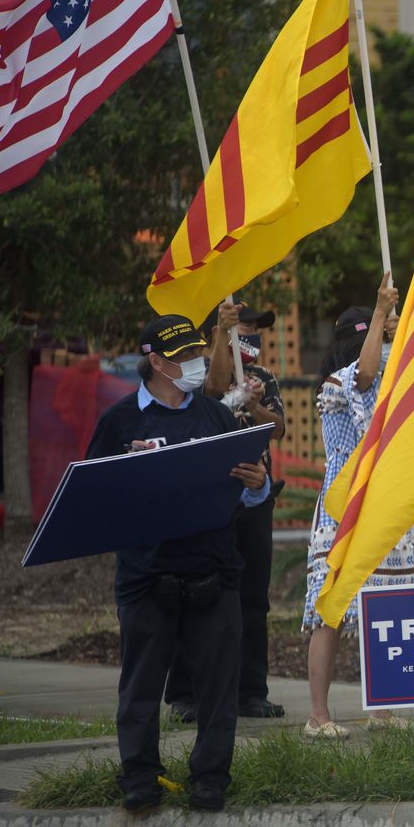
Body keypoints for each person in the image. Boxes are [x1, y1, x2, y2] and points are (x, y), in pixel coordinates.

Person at [85, 315, 271, 813]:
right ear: (156, 361)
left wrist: (257, 484)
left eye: (197, 353)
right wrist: (131, 470)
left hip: (214, 572)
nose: (195, 364)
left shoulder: (214, 416)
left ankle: (211, 780)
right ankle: (139, 780)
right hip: (147, 578)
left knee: (217, 688)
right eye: (184, 356)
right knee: (142, 687)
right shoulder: (121, 422)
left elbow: (246, 492)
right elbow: (94, 498)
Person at [301, 279, 414, 739]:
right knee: (330, 610)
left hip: (388, 503)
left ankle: (383, 711)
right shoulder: (338, 383)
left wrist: (397, 325)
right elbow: (364, 377)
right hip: (344, 507)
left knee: (388, 609)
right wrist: (379, 313)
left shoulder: (390, 379)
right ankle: (318, 716)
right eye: (370, 337)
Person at [165, 300, 286, 723]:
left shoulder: (265, 377)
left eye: (255, 329)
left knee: (253, 599)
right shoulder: (195, 381)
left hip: (255, 498)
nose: (249, 335)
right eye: (242, 327)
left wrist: (253, 405)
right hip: (208, 501)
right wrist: (221, 331)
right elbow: (215, 390)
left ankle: (250, 691)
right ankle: (187, 693)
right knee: (196, 593)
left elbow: (277, 427)